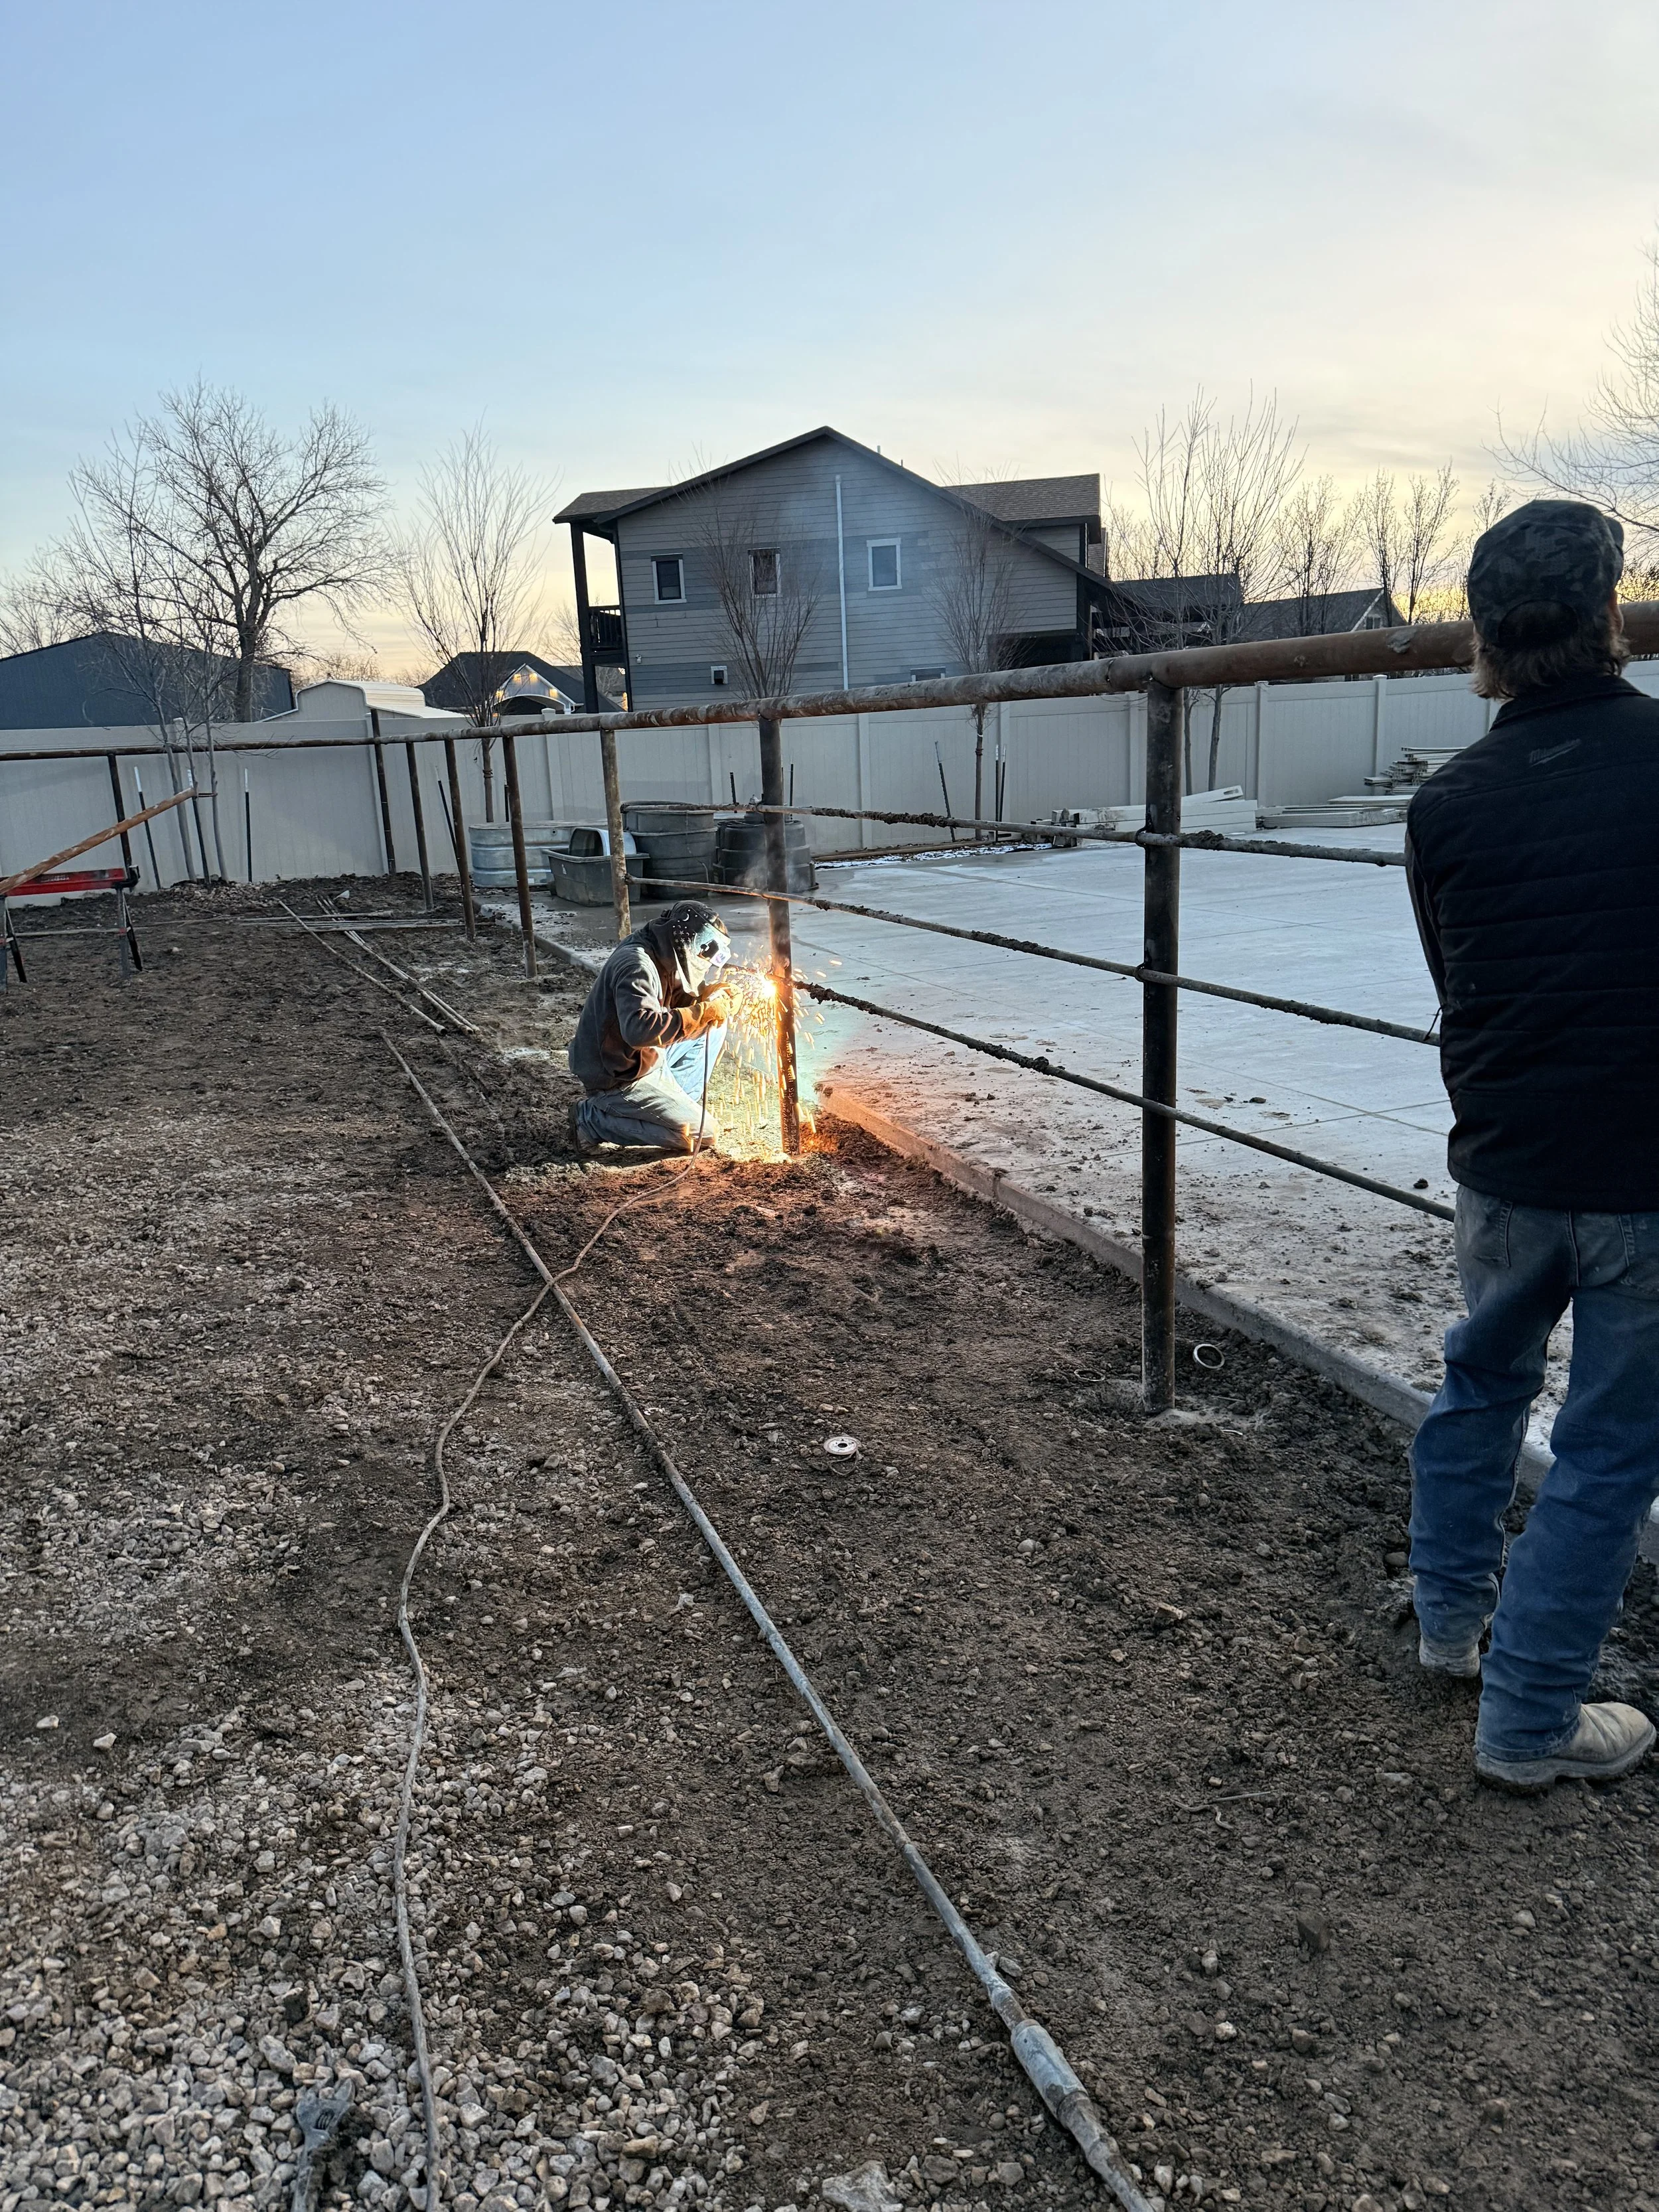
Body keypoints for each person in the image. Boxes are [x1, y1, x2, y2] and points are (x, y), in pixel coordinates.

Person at [1405, 497, 1658, 1793]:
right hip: (1638, 1171)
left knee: (1480, 1380)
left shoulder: (1444, 804)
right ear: (1608, 616)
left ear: (1485, 639)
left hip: (1499, 1157)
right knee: (1609, 1446)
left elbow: (1458, 979)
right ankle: (1527, 1720)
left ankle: (1448, 1624)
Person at [567, 900, 734, 1153]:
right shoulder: (638, 965)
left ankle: (673, 1106)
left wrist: (709, 998)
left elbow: (672, 1000)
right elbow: (640, 1030)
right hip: (617, 1074)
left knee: (714, 1025)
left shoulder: (660, 949)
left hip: (641, 1057)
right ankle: (592, 1121)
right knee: (703, 1134)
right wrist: (702, 1011)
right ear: (688, 943)